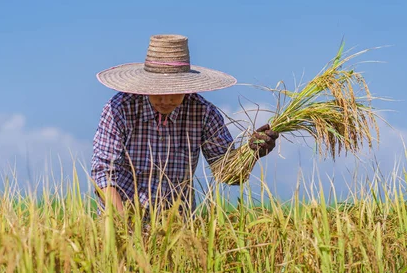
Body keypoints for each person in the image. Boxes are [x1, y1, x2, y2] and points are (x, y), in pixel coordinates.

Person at [91, 34, 278, 214]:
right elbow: (104, 174)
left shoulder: (203, 113)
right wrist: (125, 228)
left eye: (175, 91)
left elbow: (227, 173)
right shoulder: (120, 109)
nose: (166, 100)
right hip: (122, 220)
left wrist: (252, 153)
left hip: (180, 228)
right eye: (158, 91)